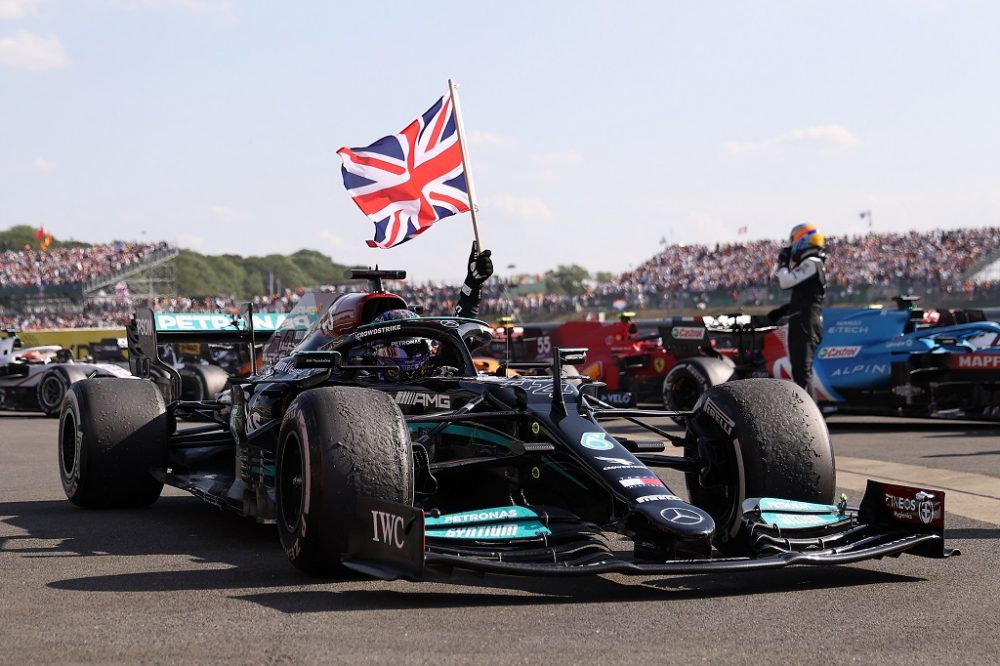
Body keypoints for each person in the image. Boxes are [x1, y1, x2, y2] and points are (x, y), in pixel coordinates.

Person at [770, 223, 826, 393]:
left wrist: (783, 263)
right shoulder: (812, 263)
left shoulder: (812, 262)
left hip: (806, 323)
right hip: (802, 320)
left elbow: (785, 281)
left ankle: (810, 418)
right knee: (799, 373)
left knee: (803, 374)